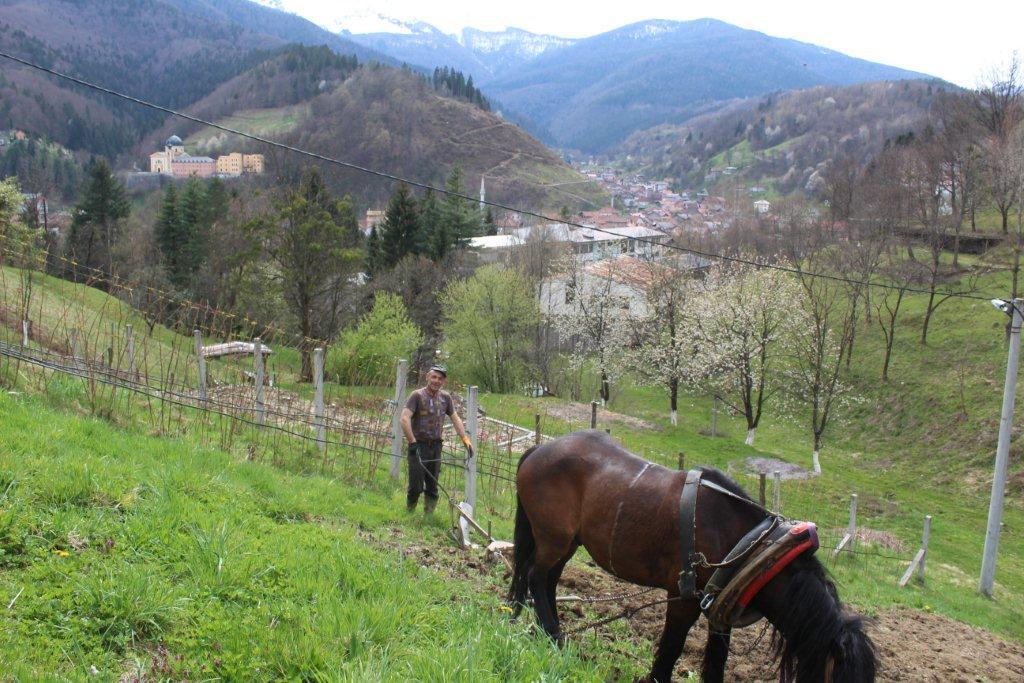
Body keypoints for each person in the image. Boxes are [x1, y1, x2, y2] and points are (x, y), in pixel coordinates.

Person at [399, 364, 473, 513]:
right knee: (416, 485)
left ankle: (429, 516)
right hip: (418, 445)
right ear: (427, 377)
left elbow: (455, 418)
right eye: (434, 377)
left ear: (443, 382)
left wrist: (465, 439)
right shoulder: (417, 395)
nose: (436, 381)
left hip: (436, 447)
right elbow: (404, 419)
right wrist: (412, 442)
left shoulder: (445, 398)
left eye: (440, 379)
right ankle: (409, 512)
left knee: (432, 485)